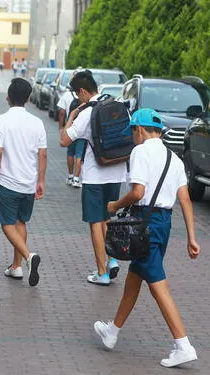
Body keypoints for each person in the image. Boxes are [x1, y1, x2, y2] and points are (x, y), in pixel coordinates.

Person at [94, 108, 200, 368]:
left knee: (157, 285)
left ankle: (183, 344)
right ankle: (112, 332)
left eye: (132, 132)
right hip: (163, 225)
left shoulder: (139, 152)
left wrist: (115, 205)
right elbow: (184, 199)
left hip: (144, 224)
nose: (132, 137)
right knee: (135, 278)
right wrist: (191, 237)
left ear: (139, 130)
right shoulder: (173, 158)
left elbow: (138, 192)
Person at [59, 70, 122, 286]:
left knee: (95, 222)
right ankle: (112, 260)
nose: (78, 99)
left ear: (84, 91)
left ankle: (102, 272)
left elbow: (64, 140)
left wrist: (71, 117)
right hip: (117, 172)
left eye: (78, 95)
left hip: (95, 175)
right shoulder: (116, 104)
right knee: (108, 219)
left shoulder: (87, 112)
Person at [0, 78, 45, 287]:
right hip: (29, 182)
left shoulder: (0, 120)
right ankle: (16, 267)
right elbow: (43, 154)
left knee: (6, 224)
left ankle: (28, 257)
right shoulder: (37, 122)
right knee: (21, 222)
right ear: (29, 98)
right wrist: (41, 180)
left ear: (8, 97)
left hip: (8, 181)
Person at [57, 71, 85, 188]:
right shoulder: (85, 95)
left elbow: (61, 112)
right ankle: (76, 179)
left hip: (70, 128)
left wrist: (61, 127)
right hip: (82, 129)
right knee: (79, 154)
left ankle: (70, 175)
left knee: (70, 152)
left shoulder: (67, 95)